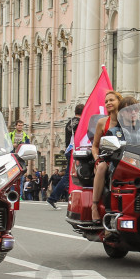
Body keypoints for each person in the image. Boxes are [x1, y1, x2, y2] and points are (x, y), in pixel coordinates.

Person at [90, 90, 123, 222]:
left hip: (124, 159)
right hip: (106, 159)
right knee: (103, 167)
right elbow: (95, 146)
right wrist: (97, 159)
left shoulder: (128, 121)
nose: (108, 103)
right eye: (106, 101)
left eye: (111, 100)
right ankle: (94, 206)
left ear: (119, 102)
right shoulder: (102, 122)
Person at [47, 104, 85, 209]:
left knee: (72, 176)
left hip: (69, 150)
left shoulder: (70, 122)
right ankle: (53, 198)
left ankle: (72, 198)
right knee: (69, 177)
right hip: (75, 151)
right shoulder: (80, 123)